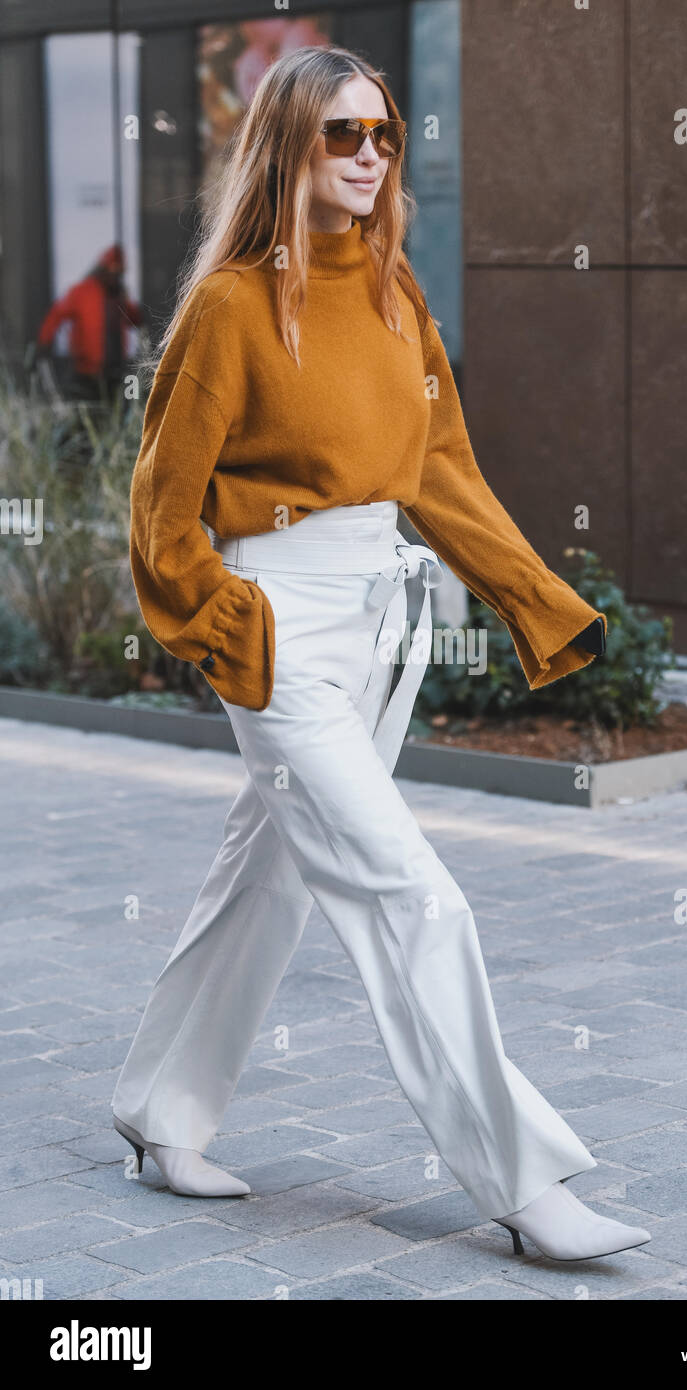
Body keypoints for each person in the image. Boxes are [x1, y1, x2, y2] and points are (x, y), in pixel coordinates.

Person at [112, 44, 647, 1265]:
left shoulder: (399, 300)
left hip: (373, 621)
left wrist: (535, 601)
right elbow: (159, 515)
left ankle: (157, 1112)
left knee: (270, 877)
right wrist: (225, 628)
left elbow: (442, 473)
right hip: (279, 624)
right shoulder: (233, 305)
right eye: (341, 135)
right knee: (410, 891)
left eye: (383, 135)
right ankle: (522, 1184)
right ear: (288, 148)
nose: (368, 156)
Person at [36, 244, 143, 399]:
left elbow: (136, 320)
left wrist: (126, 300)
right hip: (86, 373)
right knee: (88, 412)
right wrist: (44, 343)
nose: (114, 278)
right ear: (102, 270)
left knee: (115, 411)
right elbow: (56, 315)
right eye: (111, 272)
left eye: (118, 274)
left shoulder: (119, 296)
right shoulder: (82, 292)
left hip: (116, 372)